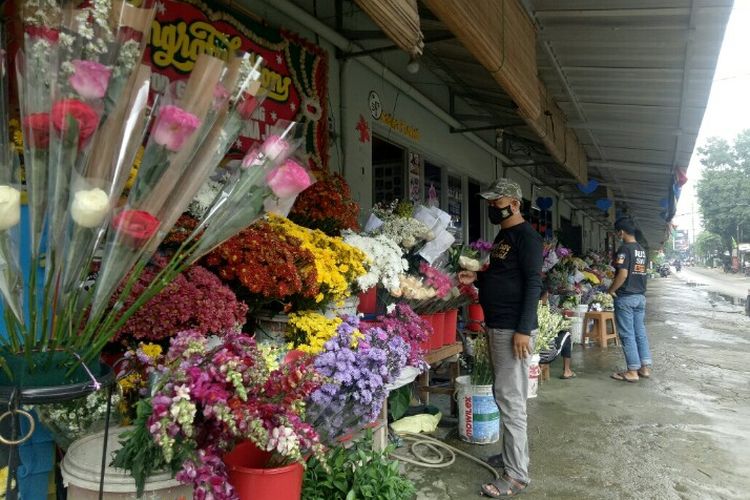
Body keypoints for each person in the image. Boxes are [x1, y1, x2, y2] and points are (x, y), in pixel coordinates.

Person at [460, 178, 543, 498]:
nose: (493, 207)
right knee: (505, 394)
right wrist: (477, 275)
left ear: (515, 203)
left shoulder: (528, 238)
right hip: (498, 325)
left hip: (513, 329)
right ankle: (511, 457)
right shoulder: (505, 235)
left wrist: (524, 329)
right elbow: (501, 274)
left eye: (498, 201)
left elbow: (534, 283)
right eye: (491, 202)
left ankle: (517, 474)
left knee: (511, 400)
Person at [608, 216, 652, 383]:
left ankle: (632, 371)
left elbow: (623, 274)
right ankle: (644, 368)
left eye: (617, 232)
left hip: (626, 297)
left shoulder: (624, 249)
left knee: (627, 334)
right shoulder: (641, 249)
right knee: (640, 332)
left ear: (621, 232)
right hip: (640, 297)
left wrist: (611, 290)